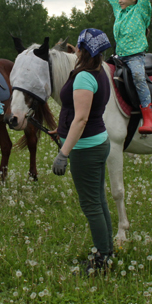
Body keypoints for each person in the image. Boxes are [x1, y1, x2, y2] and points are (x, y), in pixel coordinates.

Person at [51, 28, 113, 274]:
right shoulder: (99, 72)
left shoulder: (85, 77)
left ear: (81, 49)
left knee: (91, 205)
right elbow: (75, 114)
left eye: (77, 45)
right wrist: (61, 129)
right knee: (99, 200)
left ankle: (101, 260)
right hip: (96, 143)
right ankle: (106, 249)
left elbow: (81, 119)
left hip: (86, 148)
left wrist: (63, 153)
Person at [106, 0, 152, 134]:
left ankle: (148, 117)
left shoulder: (141, 10)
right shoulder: (119, 12)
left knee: (138, 77)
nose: (119, 1)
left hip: (135, 57)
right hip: (119, 56)